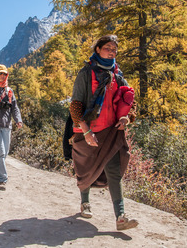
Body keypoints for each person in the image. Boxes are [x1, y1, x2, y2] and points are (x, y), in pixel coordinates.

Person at [68, 34, 138, 231]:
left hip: (111, 132)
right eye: (108, 47)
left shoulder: (118, 75)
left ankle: (121, 216)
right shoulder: (86, 73)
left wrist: (127, 117)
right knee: (85, 169)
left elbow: (129, 101)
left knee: (114, 172)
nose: (112, 52)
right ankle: (85, 202)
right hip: (88, 131)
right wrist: (87, 131)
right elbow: (75, 105)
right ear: (98, 49)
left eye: (114, 49)